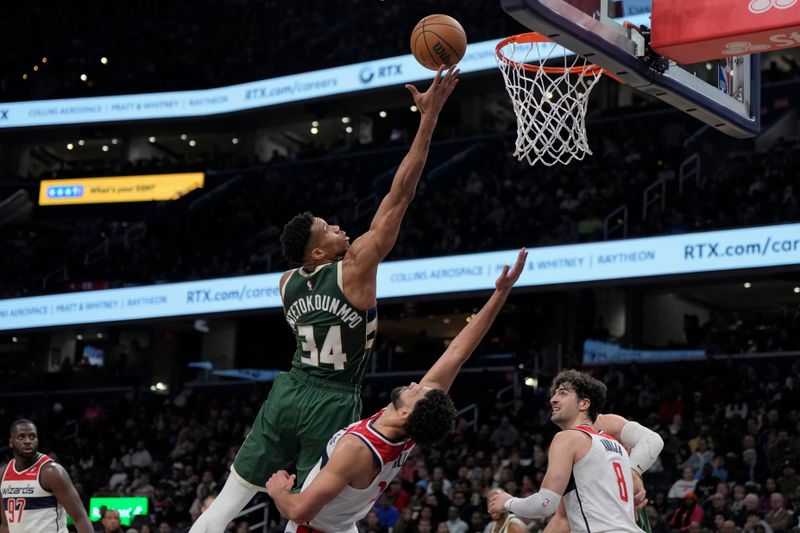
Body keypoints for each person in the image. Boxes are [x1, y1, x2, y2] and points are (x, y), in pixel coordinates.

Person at [189, 64, 460, 533]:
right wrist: (428, 120)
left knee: (231, 495)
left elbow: (307, 270)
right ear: (318, 251)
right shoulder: (355, 269)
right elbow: (401, 196)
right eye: (328, 229)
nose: (338, 227)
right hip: (332, 400)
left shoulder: (285, 282)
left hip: (288, 390)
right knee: (313, 512)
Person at [265, 249, 528, 533]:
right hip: (344, 526)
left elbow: (300, 509)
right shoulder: (411, 429)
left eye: (417, 393)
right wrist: (501, 293)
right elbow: (457, 353)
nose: (417, 385)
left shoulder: (358, 448)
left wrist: (279, 491)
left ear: (404, 413)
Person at [488, 370, 640, 533]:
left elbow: (544, 504)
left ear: (584, 404)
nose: (553, 399)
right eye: (554, 394)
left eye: (563, 393)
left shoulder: (568, 438)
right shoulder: (617, 447)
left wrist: (507, 501)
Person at [535, 412, 664, 533]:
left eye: (563, 393)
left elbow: (652, 440)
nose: (554, 399)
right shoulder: (570, 448)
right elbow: (562, 519)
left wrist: (632, 472)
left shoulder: (603, 423)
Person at [0, 419, 93, 533]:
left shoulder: (51, 472)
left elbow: (80, 519)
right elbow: (6, 525)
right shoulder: (3, 474)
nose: (28, 441)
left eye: (32, 436)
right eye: (21, 437)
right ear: (11, 442)